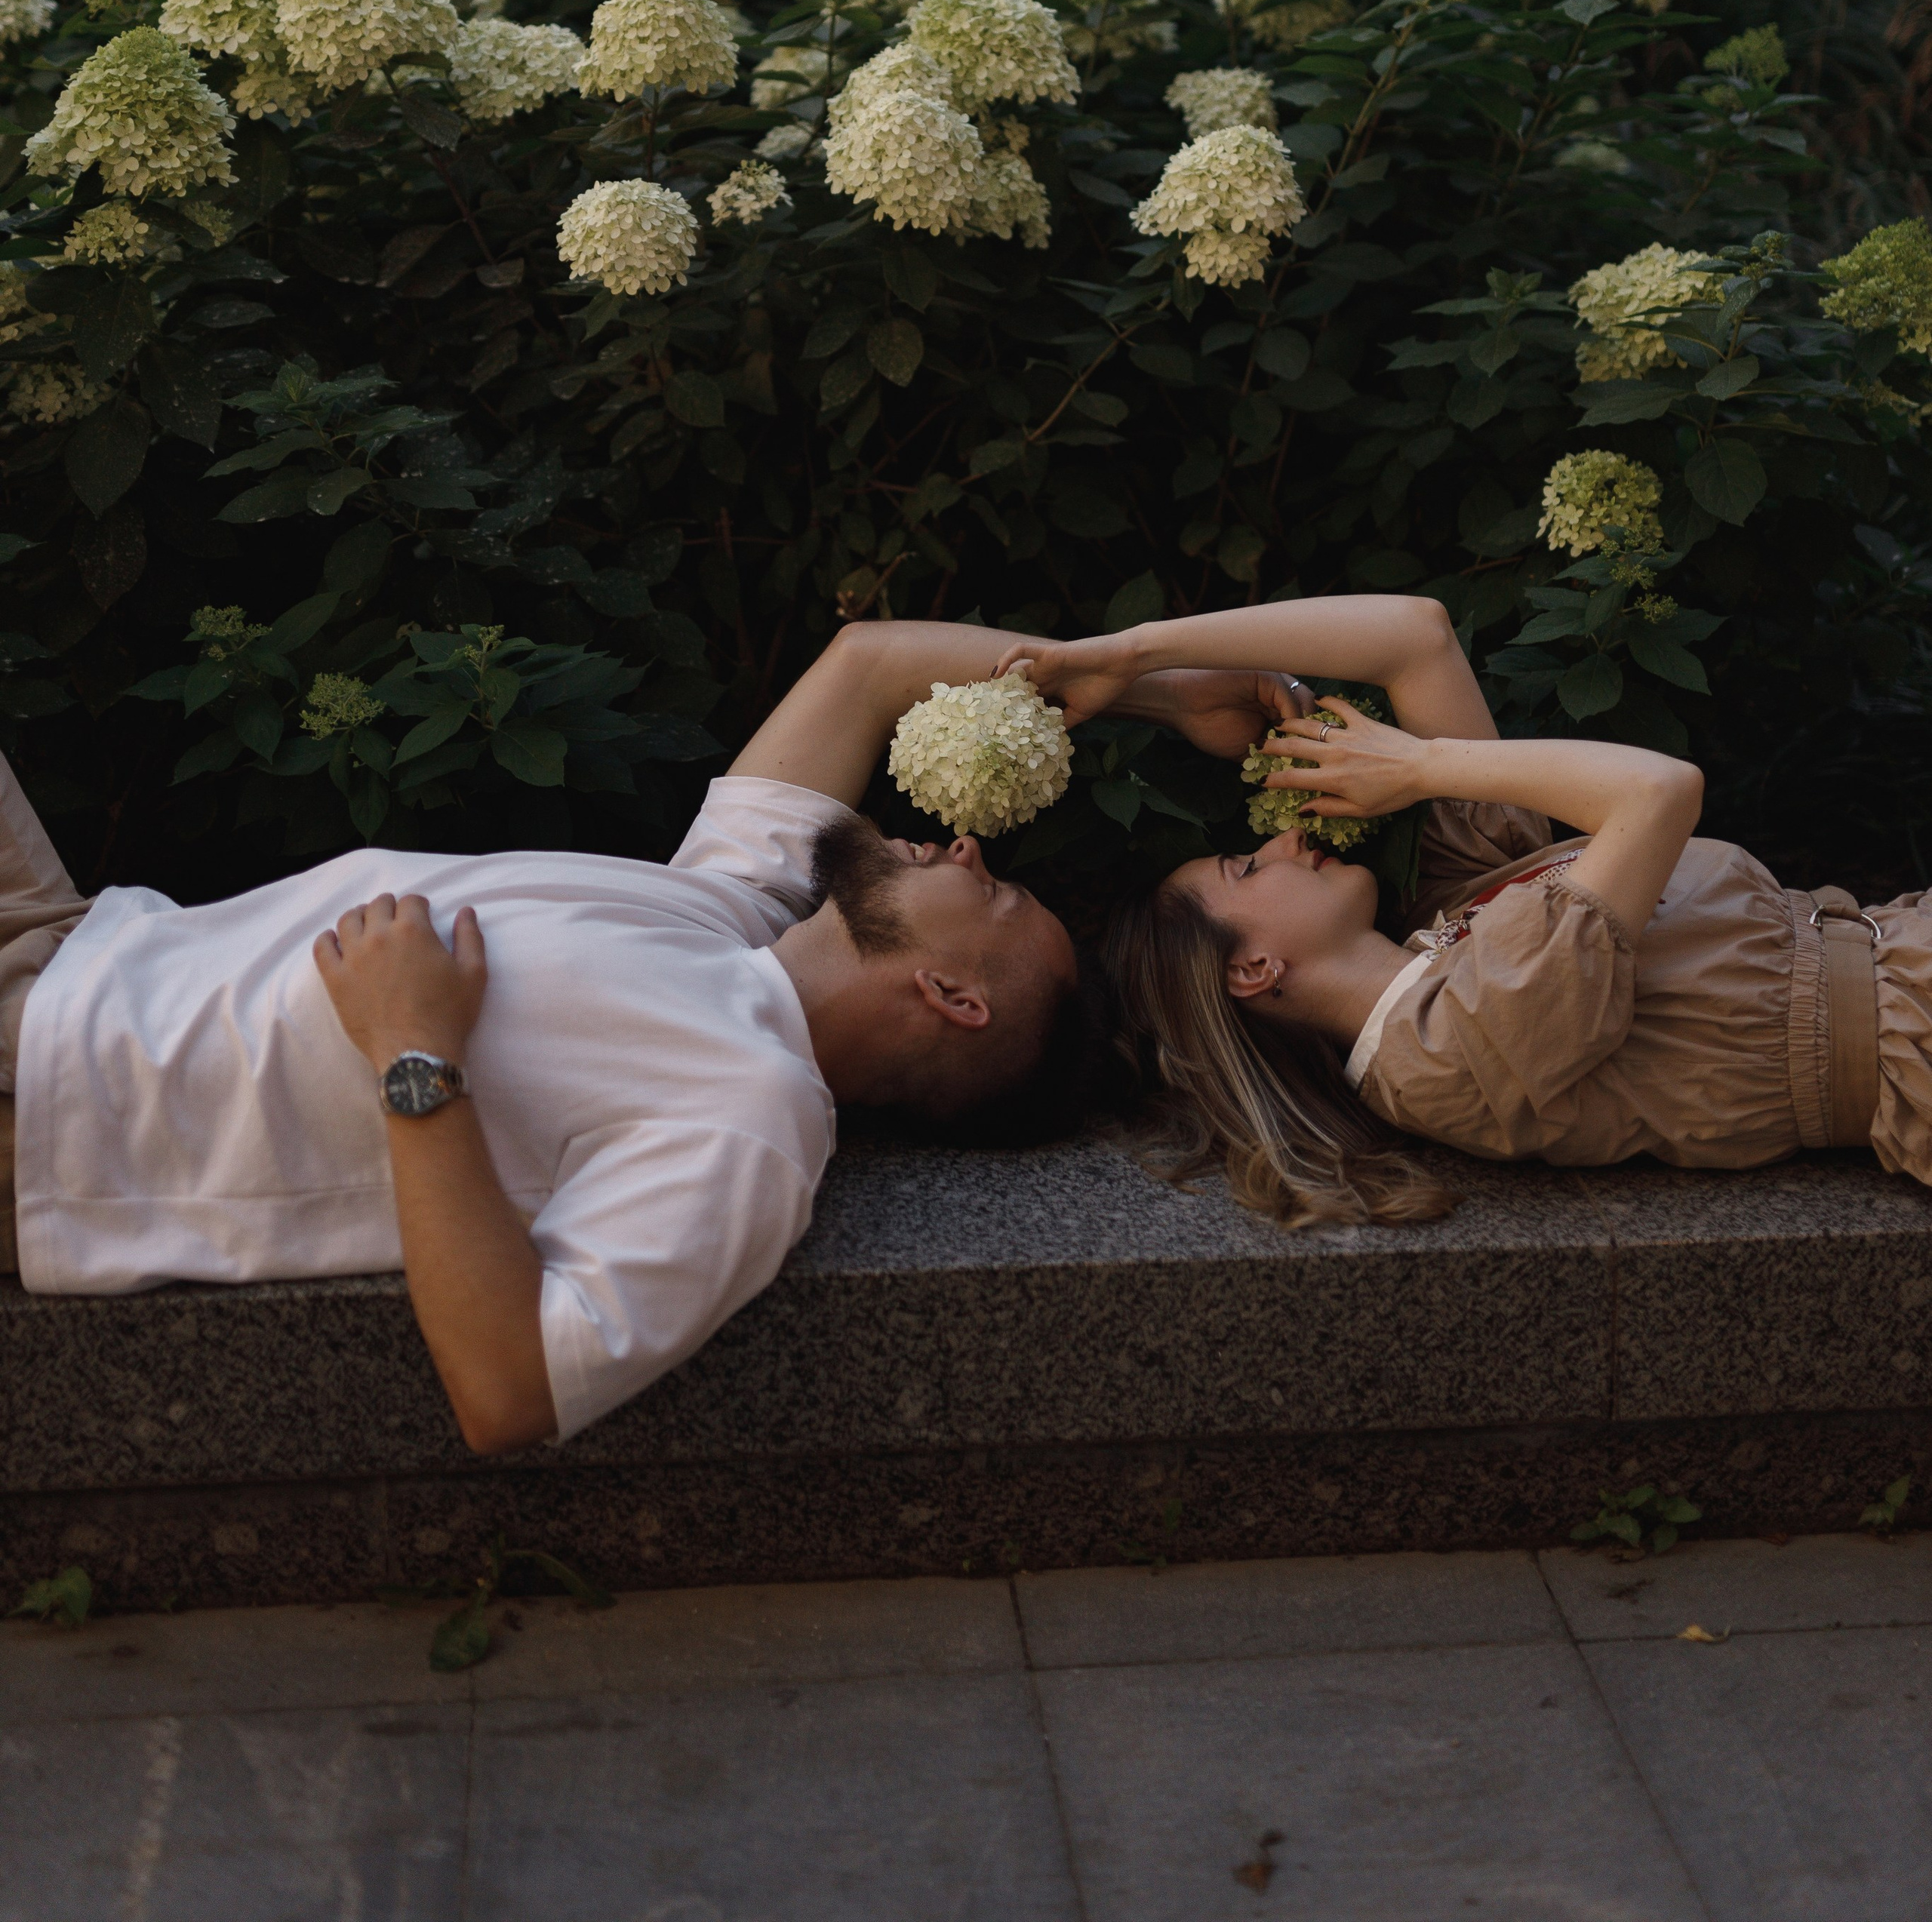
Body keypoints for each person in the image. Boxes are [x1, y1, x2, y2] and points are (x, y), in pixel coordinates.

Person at [0, 615, 1284, 1454]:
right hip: (72, 944)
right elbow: (869, 661)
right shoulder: (729, 918)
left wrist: (415, 1056)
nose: (964, 844)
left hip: (54, 1104)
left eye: (990, 893)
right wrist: (1143, 684)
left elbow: (514, 1393)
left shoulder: (748, 1118)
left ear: (954, 996)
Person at [998, 593, 1932, 1228]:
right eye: (1246, 866)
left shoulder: (1448, 915)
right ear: (1253, 972)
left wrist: (1135, 655)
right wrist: (1422, 767)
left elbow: (1415, 634)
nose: (1283, 841)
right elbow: (1658, 792)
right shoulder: (1448, 1048)